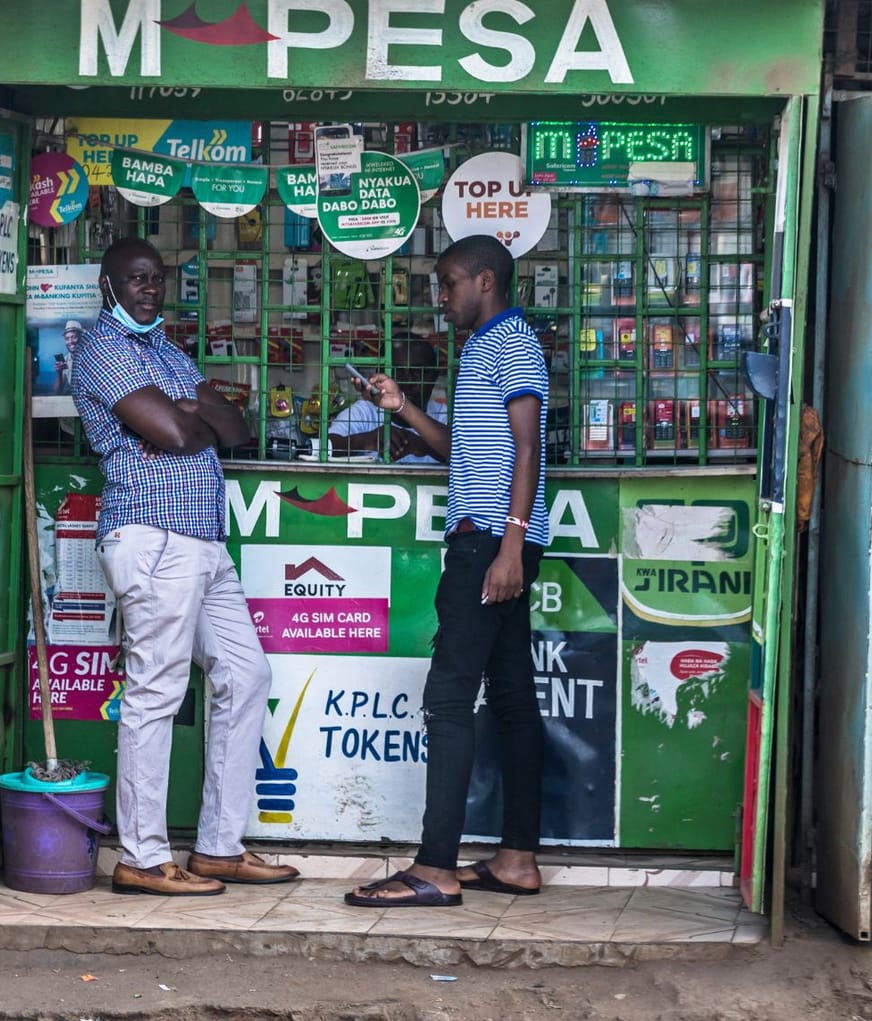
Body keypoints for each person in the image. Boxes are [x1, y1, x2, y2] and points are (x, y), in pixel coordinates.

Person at [74, 237, 299, 896]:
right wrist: (185, 418)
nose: (150, 288)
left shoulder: (166, 350)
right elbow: (175, 432)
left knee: (246, 671)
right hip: (153, 538)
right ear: (109, 286)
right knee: (156, 691)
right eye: (136, 279)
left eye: (158, 277)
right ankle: (142, 856)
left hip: (202, 541)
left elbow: (233, 424)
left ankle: (219, 846)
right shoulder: (102, 347)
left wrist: (189, 415)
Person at [344, 235, 551, 908]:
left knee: (449, 696)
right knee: (515, 697)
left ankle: (435, 866)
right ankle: (517, 858)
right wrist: (400, 406)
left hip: (490, 543)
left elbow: (529, 447)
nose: (441, 296)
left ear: (485, 282)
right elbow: (455, 450)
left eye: (449, 283)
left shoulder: (511, 341)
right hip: (493, 539)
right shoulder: (481, 348)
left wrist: (510, 548)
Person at [329, 339, 448, 462]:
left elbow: (465, 453)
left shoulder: (447, 417)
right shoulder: (363, 412)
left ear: (434, 377)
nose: (408, 381)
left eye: (418, 372)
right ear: (379, 375)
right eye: (398, 371)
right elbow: (323, 447)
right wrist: (367, 440)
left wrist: (420, 445)